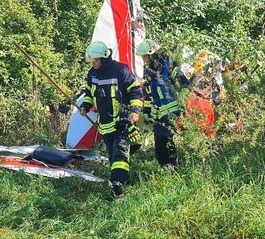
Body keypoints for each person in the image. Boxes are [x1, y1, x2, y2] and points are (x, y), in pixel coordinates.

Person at [79, 41, 143, 196]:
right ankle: (121, 180)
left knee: (120, 154)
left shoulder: (120, 70)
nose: (93, 64)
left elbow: (135, 90)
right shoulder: (92, 73)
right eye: (91, 61)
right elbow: (89, 93)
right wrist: (85, 107)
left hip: (122, 121)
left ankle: (118, 185)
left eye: (96, 60)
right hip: (105, 125)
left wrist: (135, 111)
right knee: (113, 155)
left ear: (104, 58)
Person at [136, 39, 190, 168]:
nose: (144, 59)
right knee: (159, 142)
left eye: (145, 56)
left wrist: (184, 108)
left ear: (153, 54)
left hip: (172, 111)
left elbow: (184, 85)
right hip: (158, 114)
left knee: (166, 138)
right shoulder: (148, 71)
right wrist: (148, 112)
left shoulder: (169, 67)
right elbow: (149, 94)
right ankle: (166, 167)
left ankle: (173, 166)